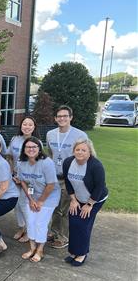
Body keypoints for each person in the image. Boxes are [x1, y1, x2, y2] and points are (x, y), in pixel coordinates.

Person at [46, 105, 88, 249]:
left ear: (71, 117)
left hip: (69, 178)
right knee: (53, 206)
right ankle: (54, 231)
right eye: (59, 116)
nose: (62, 118)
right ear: (55, 118)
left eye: (65, 116)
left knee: (63, 208)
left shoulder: (80, 135)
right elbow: (50, 153)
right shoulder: (50, 134)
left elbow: (84, 157)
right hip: (53, 177)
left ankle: (63, 237)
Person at [63, 139, 107, 266]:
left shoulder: (96, 166)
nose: (80, 152)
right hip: (77, 199)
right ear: (73, 151)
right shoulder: (68, 162)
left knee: (83, 224)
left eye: (84, 150)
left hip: (95, 199)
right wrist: (73, 200)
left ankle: (82, 253)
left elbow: (99, 187)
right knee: (73, 222)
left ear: (90, 152)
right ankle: (73, 252)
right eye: (77, 149)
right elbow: (67, 182)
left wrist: (89, 204)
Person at [17, 137, 60, 263]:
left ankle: (40, 250)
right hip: (32, 196)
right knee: (30, 221)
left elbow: (51, 185)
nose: (31, 149)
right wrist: (30, 199)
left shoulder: (47, 162)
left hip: (48, 197)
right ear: (24, 149)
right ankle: (32, 248)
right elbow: (23, 182)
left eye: (34, 147)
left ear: (39, 149)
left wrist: (40, 201)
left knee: (40, 223)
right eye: (28, 147)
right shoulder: (21, 162)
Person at [6, 116, 40, 242]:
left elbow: (37, 164)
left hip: (29, 180)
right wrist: (11, 173)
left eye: (30, 124)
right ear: (21, 126)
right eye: (24, 124)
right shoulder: (15, 139)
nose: (27, 127)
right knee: (17, 204)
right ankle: (21, 228)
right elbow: (9, 156)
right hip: (15, 178)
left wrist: (24, 179)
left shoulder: (36, 142)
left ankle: (30, 231)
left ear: (34, 127)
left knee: (25, 204)